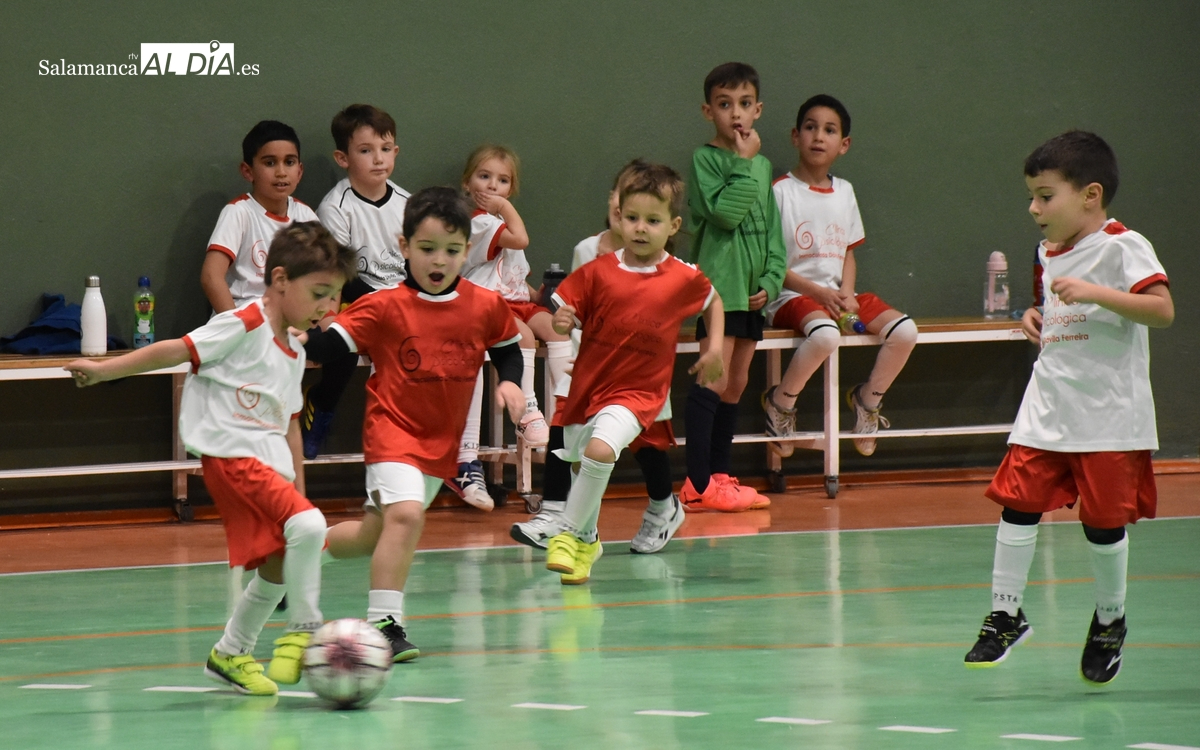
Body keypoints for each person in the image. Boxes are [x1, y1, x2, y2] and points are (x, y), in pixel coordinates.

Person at [66, 222, 354, 696]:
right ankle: (305, 631)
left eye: (335, 297)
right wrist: (103, 371)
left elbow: (288, 426)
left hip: (267, 463)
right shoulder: (245, 323)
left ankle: (230, 653)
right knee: (307, 528)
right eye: (319, 293)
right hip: (231, 455)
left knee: (283, 559)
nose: (328, 307)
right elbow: (176, 350)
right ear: (280, 280)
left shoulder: (295, 353)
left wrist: (299, 494)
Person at [963, 131, 1174, 685]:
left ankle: (1110, 620)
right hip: (1049, 404)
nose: (1034, 208)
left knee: (1103, 525)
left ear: (1090, 194)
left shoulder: (1123, 246)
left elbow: (1161, 309)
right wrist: (1037, 315)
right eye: (1031, 196)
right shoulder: (1047, 251)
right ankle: (1006, 614)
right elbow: (1060, 308)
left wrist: (1100, 293)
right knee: (1016, 503)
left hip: (1107, 416)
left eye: (1045, 195)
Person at [303, 187, 526, 660]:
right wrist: (296, 327)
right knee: (406, 516)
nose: (438, 260)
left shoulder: (485, 305)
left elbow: (507, 350)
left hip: (438, 445)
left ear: (468, 250)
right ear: (404, 247)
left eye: (450, 250)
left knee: (374, 534)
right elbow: (325, 348)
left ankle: (301, 551)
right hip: (392, 431)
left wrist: (510, 384)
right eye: (426, 249)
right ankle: (385, 624)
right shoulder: (384, 307)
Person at [544, 162, 724, 584]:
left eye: (653, 220)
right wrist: (563, 322)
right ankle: (587, 542)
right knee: (579, 460)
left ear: (673, 225)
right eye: (632, 218)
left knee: (601, 451)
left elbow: (714, 301)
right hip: (590, 387)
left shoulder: (681, 277)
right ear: (618, 217)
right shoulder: (597, 271)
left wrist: (714, 348)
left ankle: (568, 534)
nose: (640, 228)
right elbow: (563, 314)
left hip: (639, 393)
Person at [511, 159, 686, 555]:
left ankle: (664, 507)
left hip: (639, 372)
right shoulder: (587, 251)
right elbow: (575, 313)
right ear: (615, 202)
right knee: (564, 425)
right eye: (623, 196)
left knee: (648, 445)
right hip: (589, 366)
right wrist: (565, 323)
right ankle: (559, 515)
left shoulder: (663, 266)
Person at [762, 95, 918, 457]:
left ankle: (867, 401)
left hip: (836, 296)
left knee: (905, 332)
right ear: (795, 136)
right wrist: (817, 294)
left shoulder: (845, 191)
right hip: (791, 297)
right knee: (826, 336)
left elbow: (848, 252)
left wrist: (846, 292)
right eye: (810, 127)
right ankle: (780, 404)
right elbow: (770, 264)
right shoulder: (778, 192)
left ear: (843, 144)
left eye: (829, 130)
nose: (818, 136)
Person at [683, 62, 785, 512]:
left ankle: (721, 476)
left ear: (758, 109)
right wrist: (743, 165)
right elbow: (725, 214)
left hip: (751, 293)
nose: (736, 114)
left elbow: (773, 234)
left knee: (737, 382)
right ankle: (696, 482)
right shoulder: (706, 160)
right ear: (709, 111)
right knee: (713, 375)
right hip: (718, 291)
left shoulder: (763, 166)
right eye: (725, 105)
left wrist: (770, 279)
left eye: (745, 104)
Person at [450, 145, 572, 510]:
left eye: (502, 181)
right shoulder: (480, 221)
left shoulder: (502, 222)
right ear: (467, 182)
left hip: (516, 298)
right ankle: (527, 411)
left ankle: (566, 405)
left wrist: (546, 297)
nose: (492, 186)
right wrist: (503, 207)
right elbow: (520, 239)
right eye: (484, 177)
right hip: (488, 305)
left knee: (557, 330)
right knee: (525, 335)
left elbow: (518, 277)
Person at [301, 104, 412, 459]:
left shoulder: (409, 203)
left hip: (401, 302)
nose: (378, 159)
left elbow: (419, 266)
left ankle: (411, 436)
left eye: (385, 149)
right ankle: (321, 404)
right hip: (354, 301)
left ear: (395, 152)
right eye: (365, 151)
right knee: (344, 346)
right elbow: (341, 275)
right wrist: (383, 304)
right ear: (343, 157)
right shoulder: (335, 207)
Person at [200, 120, 319, 314]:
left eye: (289, 162)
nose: (281, 173)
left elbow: (324, 276)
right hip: (243, 317)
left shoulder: (306, 216)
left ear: (299, 171)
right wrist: (238, 327)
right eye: (270, 163)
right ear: (248, 171)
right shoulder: (238, 212)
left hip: (289, 320)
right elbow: (211, 277)